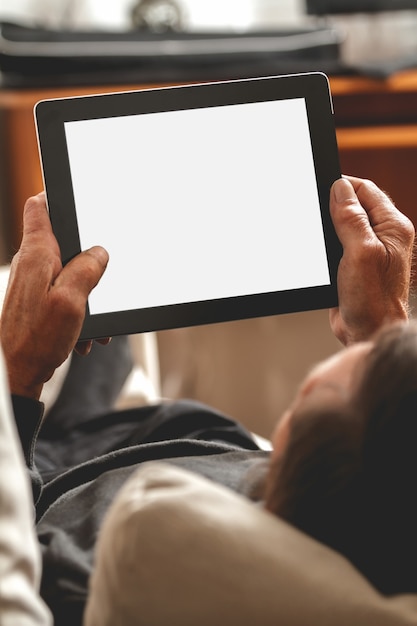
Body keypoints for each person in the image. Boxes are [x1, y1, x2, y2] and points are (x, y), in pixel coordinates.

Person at [0, 176, 414, 623]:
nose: (386, 343)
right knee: (98, 316)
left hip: (43, 472)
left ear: (306, 401)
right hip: (142, 440)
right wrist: (382, 324)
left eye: (376, 359)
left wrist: (18, 369)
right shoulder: (364, 511)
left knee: (75, 277)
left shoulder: (80, 567)